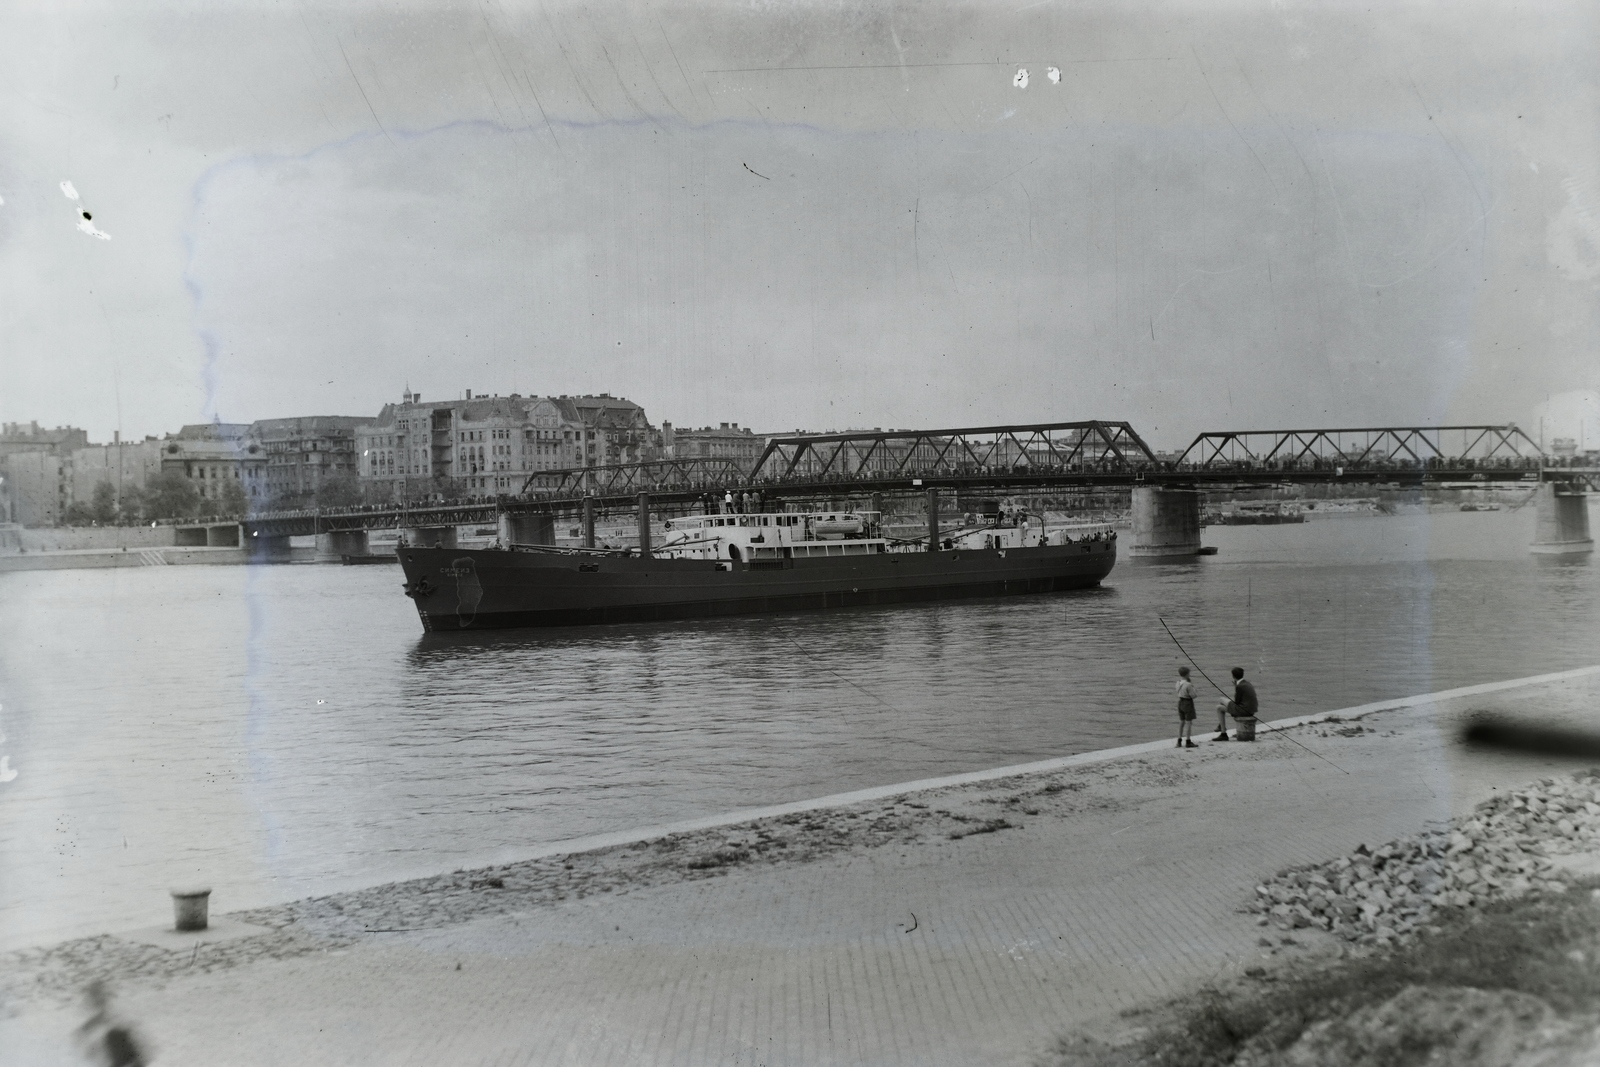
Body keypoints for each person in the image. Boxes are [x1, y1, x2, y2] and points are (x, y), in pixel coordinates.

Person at [1175, 667, 1198, 748]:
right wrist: (1194, 688)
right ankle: (1188, 741)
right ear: (1187, 674)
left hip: (1180, 702)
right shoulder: (1188, 684)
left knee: (1182, 722)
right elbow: (1194, 695)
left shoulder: (1178, 683)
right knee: (1188, 722)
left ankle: (1179, 740)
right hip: (1187, 702)